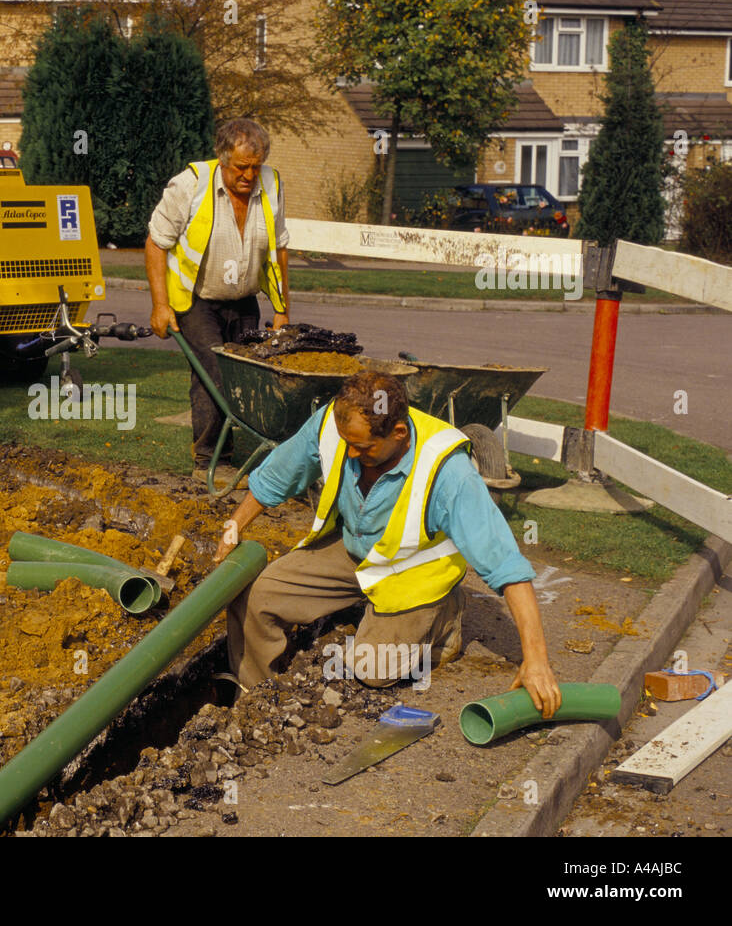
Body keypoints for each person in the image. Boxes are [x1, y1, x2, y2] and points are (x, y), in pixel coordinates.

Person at [215, 370, 562, 717]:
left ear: (399, 433)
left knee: (370, 669)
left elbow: (505, 564)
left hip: (412, 574)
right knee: (257, 597)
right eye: (346, 442)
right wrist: (234, 526)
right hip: (355, 549)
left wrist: (536, 661)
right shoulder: (336, 424)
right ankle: (254, 700)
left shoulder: (448, 472)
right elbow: (277, 476)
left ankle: (444, 619)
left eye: (364, 447)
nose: (350, 452)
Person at [145, 118, 290, 485]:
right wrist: (160, 305)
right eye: (241, 167)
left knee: (245, 377)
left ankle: (240, 450)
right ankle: (210, 459)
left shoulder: (272, 184)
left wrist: (281, 309)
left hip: (244, 301)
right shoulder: (190, 184)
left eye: (256, 166)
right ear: (223, 159)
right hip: (197, 300)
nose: (249, 175)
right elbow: (156, 243)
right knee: (213, 374)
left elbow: (279, 247)